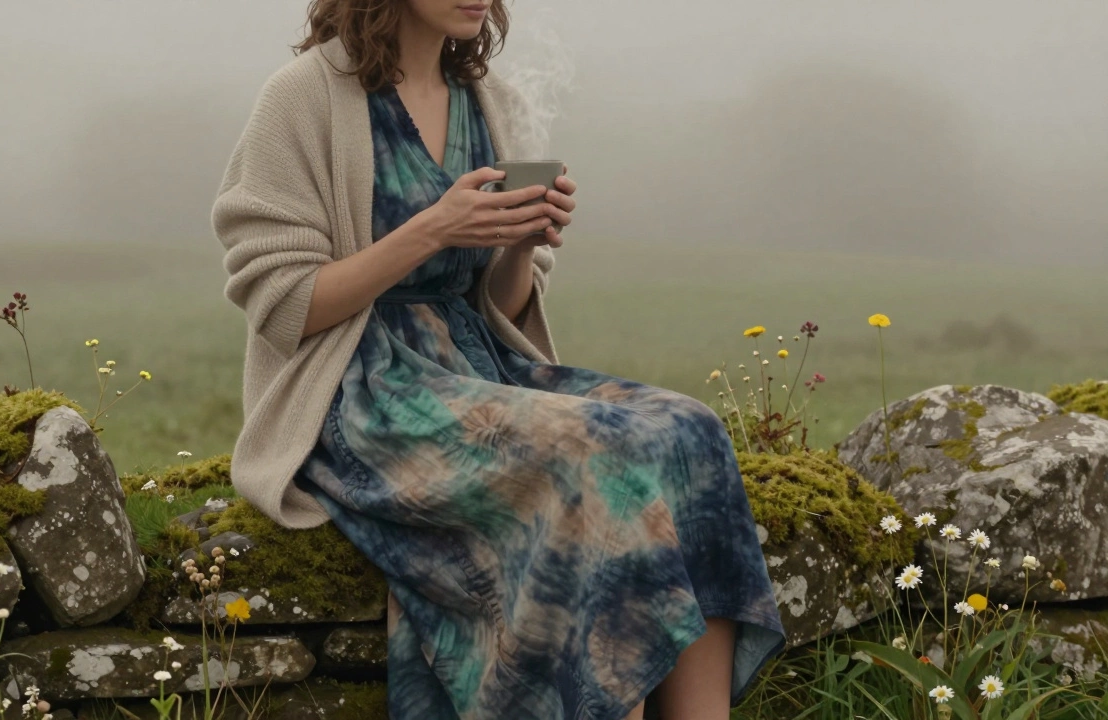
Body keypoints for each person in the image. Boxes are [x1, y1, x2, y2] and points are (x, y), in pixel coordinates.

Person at [211, 1, 785, 718]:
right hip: (361, 392)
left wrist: (521, 238)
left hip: (477, 367)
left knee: (690, 430)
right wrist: (431, 231)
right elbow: (283, 304)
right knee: (592, 455)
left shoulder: (489, 101)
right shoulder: (301, 95)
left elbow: (502, 309)